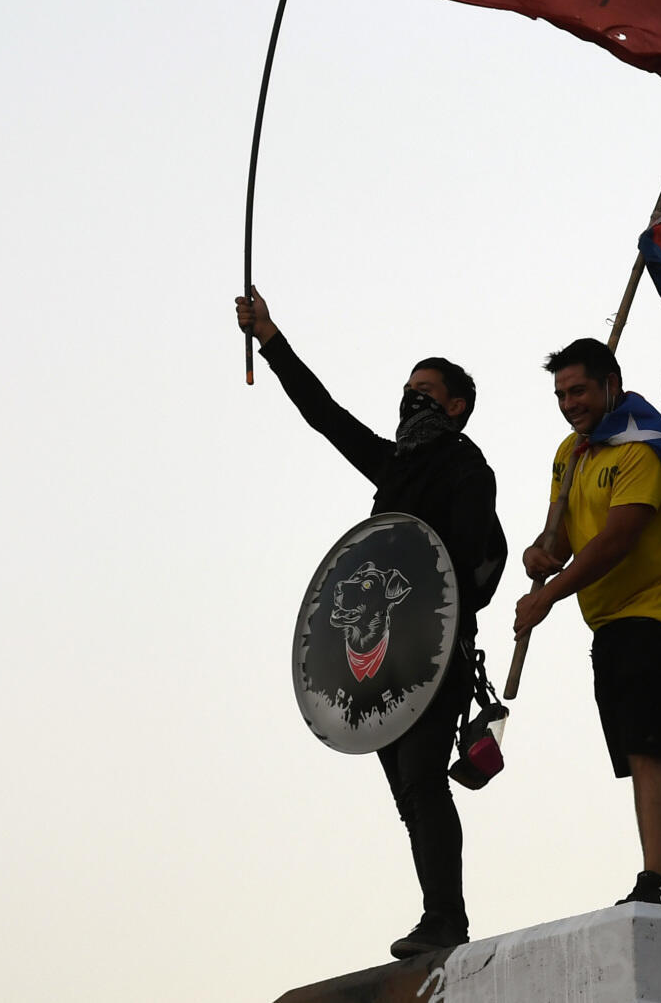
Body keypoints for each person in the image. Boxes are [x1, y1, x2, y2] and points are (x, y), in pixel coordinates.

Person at [236, 288, 502, 960]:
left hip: (433, 652)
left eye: (427, 389)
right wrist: (271, 338)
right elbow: (324, 415)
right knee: (412, 791)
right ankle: (439, 911)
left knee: (422, 778)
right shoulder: (394, 464)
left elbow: (481, 556)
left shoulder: (464, 463)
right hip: (383, 662)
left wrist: (450, 615)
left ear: (456, 404)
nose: (412, 398)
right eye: (407, 388)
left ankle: (445, 916)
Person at [513, 338, 661, 908]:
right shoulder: (572, 453)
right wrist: (539, 553)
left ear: (611, 383)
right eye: (560, 394)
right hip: (612, 624)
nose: (569, 403)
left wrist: (549, 594)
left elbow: (619, 537)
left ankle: (658, 878)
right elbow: (565, 535)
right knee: (650, 756)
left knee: (651, 752)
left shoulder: (641, 447)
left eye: (577, 390)